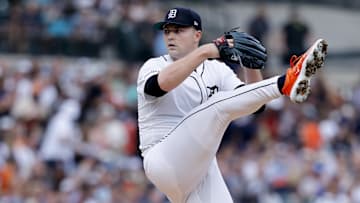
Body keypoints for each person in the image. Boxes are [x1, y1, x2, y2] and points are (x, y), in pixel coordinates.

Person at [137, 7, 327, 203]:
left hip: (198, 170)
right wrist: (206, 50)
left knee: (221, 106)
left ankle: (287, 82)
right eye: (167, 31)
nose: (170, 36)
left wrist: (251, 67)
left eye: (178, 30)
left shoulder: (216, 70)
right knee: (217, 105)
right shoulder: (154, 65)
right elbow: (158, 86)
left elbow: (252, 105)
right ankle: (287, 81)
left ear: (197, 35)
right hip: (162, 157)